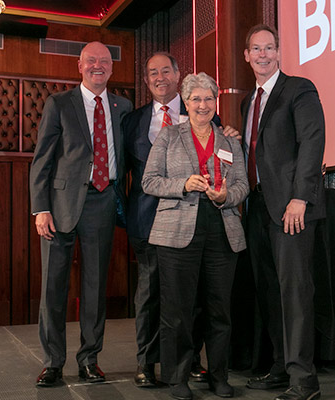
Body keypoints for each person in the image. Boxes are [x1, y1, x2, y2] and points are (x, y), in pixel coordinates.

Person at [29, 41, 132, 387]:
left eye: (104, 61)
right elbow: (42, 159)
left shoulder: (123, 106)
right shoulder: (59, 103)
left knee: (95, 287)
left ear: (112, 68)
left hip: (102, 202)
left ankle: (90, 359)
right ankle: (53, 362)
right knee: (53, 288)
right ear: (79, 65)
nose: (98, 66)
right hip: (59, 207)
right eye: (91, 61)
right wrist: (40, 208)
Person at [142, 72, 249, 400]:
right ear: (185, 103)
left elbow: (243, 186)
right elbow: (149, 181)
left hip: (221, 228)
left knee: (219, 311)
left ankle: (219, 376)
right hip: (176, 233)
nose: (203, 105)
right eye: (196, 99)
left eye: (208, 99)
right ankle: (177, 378)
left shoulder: (230, 140)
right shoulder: (168, 137)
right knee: (178, 311)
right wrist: (183, 185)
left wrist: (224, 196)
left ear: (215, 102)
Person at [241, 25, 326, 400]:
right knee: (270, 292)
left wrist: (300, 198)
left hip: (291, 208)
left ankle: (304, 380)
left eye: (270, 48)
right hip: (257, 207)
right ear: (247, 55)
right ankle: (281, 365)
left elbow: (312, 141)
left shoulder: (299, 88)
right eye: (256, 49)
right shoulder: (249, 102)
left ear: (279, 52)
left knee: (294, 293)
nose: (263, 54)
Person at [123, 52, 216, 387]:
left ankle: (191, 360)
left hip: (189, 220)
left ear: (178, 75)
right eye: (152, 73)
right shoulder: (132, 121)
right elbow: (124, 176)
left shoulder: (201, 110)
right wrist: (126, 217)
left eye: (165, 70)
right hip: (146, 222)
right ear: (146, 80)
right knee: (148, 295)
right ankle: (146, 363)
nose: (159, 77)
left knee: (190, 295)